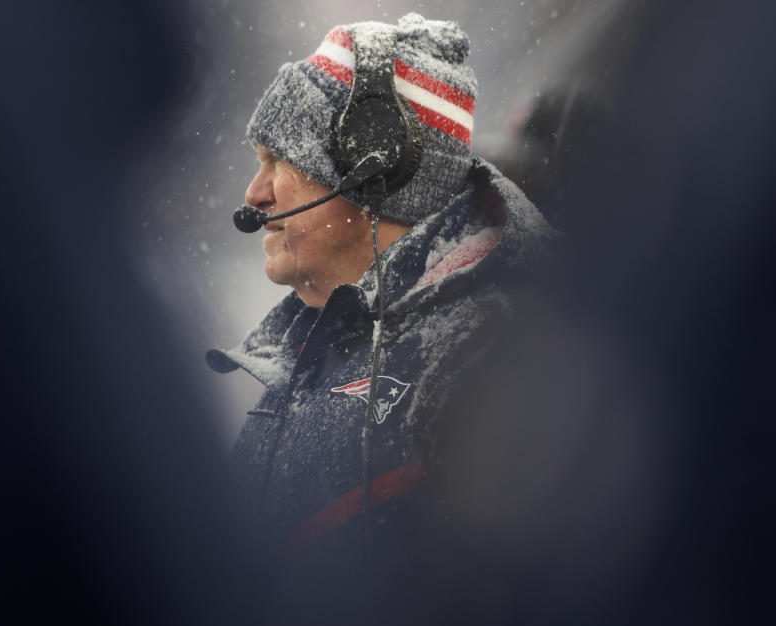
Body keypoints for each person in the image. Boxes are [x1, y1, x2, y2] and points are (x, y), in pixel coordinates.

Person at [206, 13, 556, 556]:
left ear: (375, 165)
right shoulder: (304, 351)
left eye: (280, 161)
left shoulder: (497, 350)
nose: (255, 194)